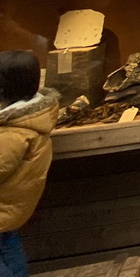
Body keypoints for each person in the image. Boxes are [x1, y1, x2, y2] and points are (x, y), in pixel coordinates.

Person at [0, 50, 59, 277]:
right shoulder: (28, 120)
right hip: (10, 212)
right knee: (8, 248)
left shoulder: (13, 133)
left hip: (3, 209)